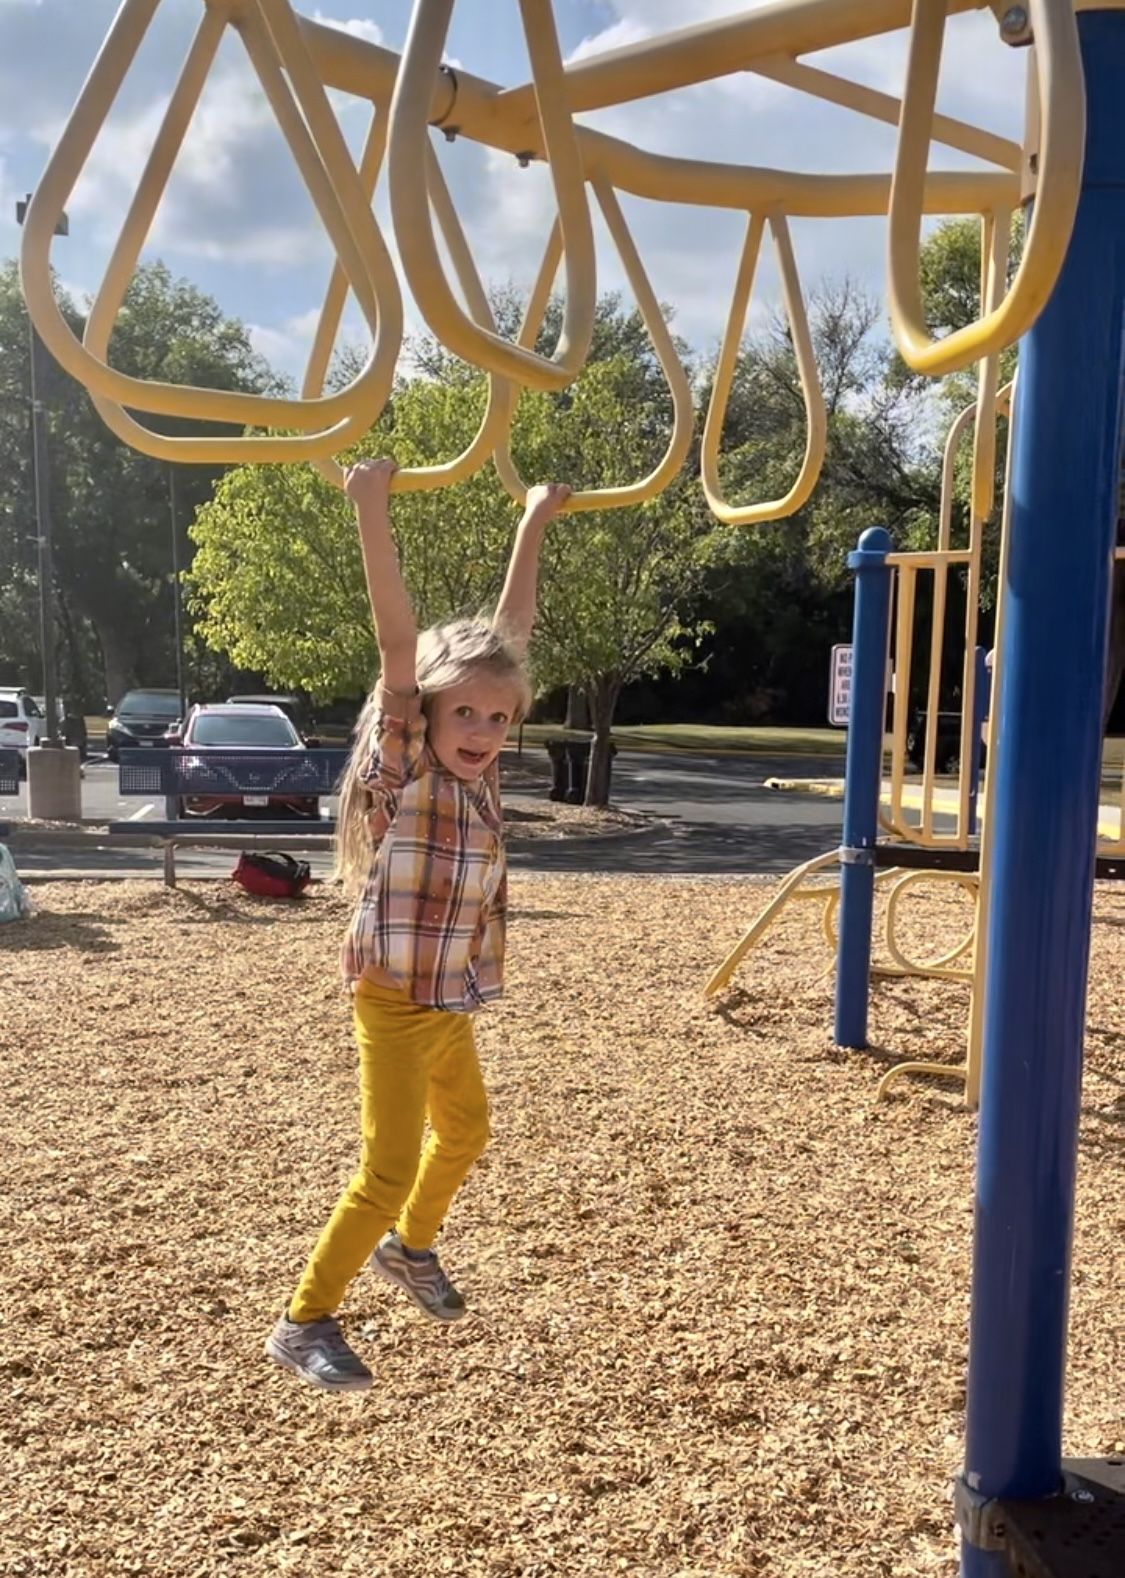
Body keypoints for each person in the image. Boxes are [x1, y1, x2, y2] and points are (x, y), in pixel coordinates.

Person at [266, 458, 572, 1391]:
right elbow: (399, 640)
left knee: (468, 1130)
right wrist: (369, 507)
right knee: (387, 1163)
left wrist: (533, 520)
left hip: (449, 996)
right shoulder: (406, 767)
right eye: (463, 711)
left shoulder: (479, 775)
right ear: (425, 713)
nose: (480, 727)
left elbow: (508, 633)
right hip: (395, 997)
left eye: (496, 715)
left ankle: (410, 1250)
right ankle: (305, 1319)